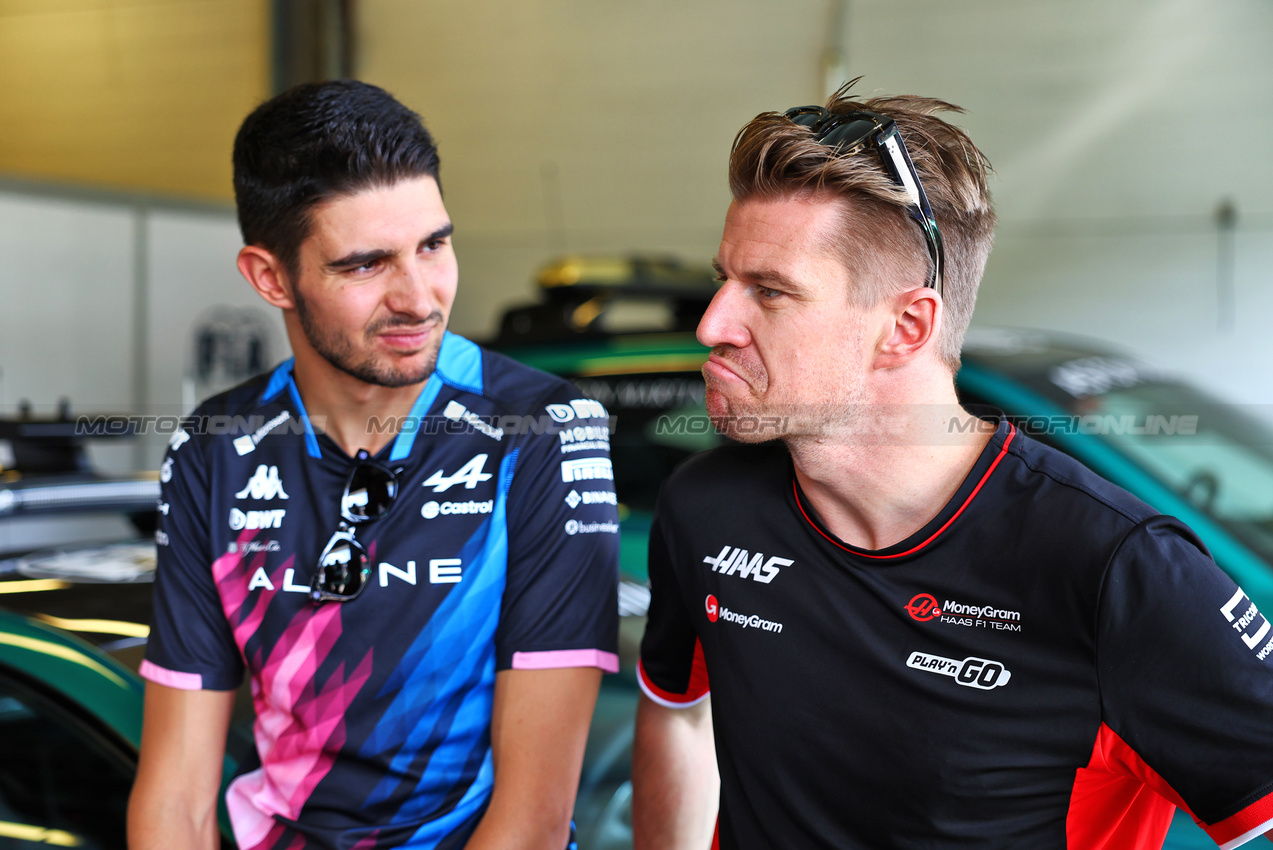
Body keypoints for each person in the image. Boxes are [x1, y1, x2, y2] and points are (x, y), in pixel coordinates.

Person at [631, 83, 1273, 849]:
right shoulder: (706, 507)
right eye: (722, 279)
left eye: (769, 291)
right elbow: (675, 711)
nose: (711, 324)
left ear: (905, 327)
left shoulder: (1114, 567)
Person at [127, 80, 620, 850]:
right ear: (269, 277)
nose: (419, 297)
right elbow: (174, 802)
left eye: (433, 244)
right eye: (365, 265)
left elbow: (530, 820)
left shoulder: (542, 430)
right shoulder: (214, 444)